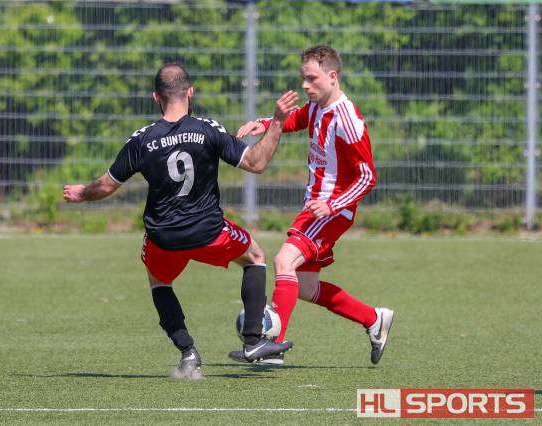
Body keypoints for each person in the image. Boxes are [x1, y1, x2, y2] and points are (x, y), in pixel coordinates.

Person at [63, 63, 298, 378]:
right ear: (190, 92)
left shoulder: (142, 140)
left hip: (163, 237)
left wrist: (81, 192)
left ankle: (188, 352)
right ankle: (253, 341)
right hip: (208, 232)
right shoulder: (208, 129)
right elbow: (257, 163)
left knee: (159, 281)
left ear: (155, 97)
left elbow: (105, 186)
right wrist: (278, 121)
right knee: (255, 256)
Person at [230, 46, 394, 366]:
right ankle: (374, 319)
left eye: (311, 78)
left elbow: (367, 177)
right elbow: (298, 118)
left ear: (332, 76)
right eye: (303, 78)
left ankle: (272, 347)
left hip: (331, 211)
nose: (305, 85)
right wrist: (266, 123)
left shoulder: (348, 119)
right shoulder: (318, 106)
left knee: (283, 260)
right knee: (305, 287)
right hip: (318, 207)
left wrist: (333, 205)